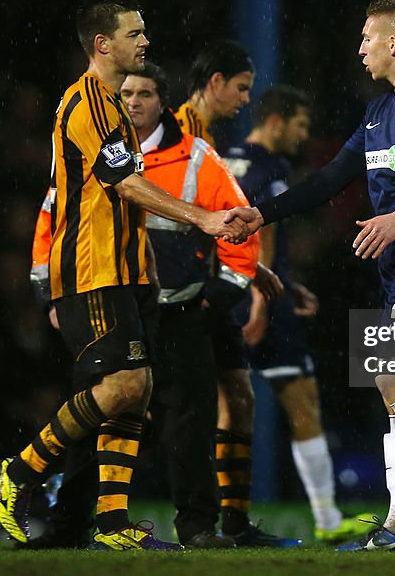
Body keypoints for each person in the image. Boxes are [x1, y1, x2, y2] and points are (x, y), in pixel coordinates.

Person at [0, 0, 248, 551]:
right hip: (92, 268)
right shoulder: (87, 104)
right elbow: (124, 184)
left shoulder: (110, 103)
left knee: (138, 388)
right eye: (135, 33)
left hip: (125, 270)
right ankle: (19, 471)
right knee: (124, 384)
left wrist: (148, 265)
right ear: (103, 44)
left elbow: (124, 197)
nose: (145, 42)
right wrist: (203, 217)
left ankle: (110, 524)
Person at [227, 0, 395, 552]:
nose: (360, 47)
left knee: (390, 376)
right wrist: (260, 215)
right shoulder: (377, 113)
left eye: (367, 37)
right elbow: (329, 180)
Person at [223, 85, 371, 544]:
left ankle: (222, 517)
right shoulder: (271, 166)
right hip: (261, 299)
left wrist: (289, 282)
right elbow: (260, 235)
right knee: (303, 402)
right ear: (276, 121)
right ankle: (327, 519)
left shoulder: (222, 160)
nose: (304, 135)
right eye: (301, 125)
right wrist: (265, 302)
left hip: (226, 294)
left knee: (228, 408)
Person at [121, 63, 261, 547]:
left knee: (191, 419)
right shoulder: (98, 147)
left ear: (164, 102)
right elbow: (55, 216)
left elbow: (240, 223)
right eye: (127, 93)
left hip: (179, 308)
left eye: (144, 93)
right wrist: (49, 289)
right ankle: (83, 520)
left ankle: (199, 528)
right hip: (116, 307)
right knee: (111, 411)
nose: (134, 102)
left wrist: (221, 293)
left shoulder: (196, 156)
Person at [175, 40, 296, 546]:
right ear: (215, 82)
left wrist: (256, 267)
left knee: (237, 396)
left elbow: (212, 217)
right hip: (185, 287)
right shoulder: (177, 133)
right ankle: (74, 498)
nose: (247, 100)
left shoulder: (203, 136)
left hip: (209, 280)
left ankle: (234, 522)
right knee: (172, 404)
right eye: (242, 88)